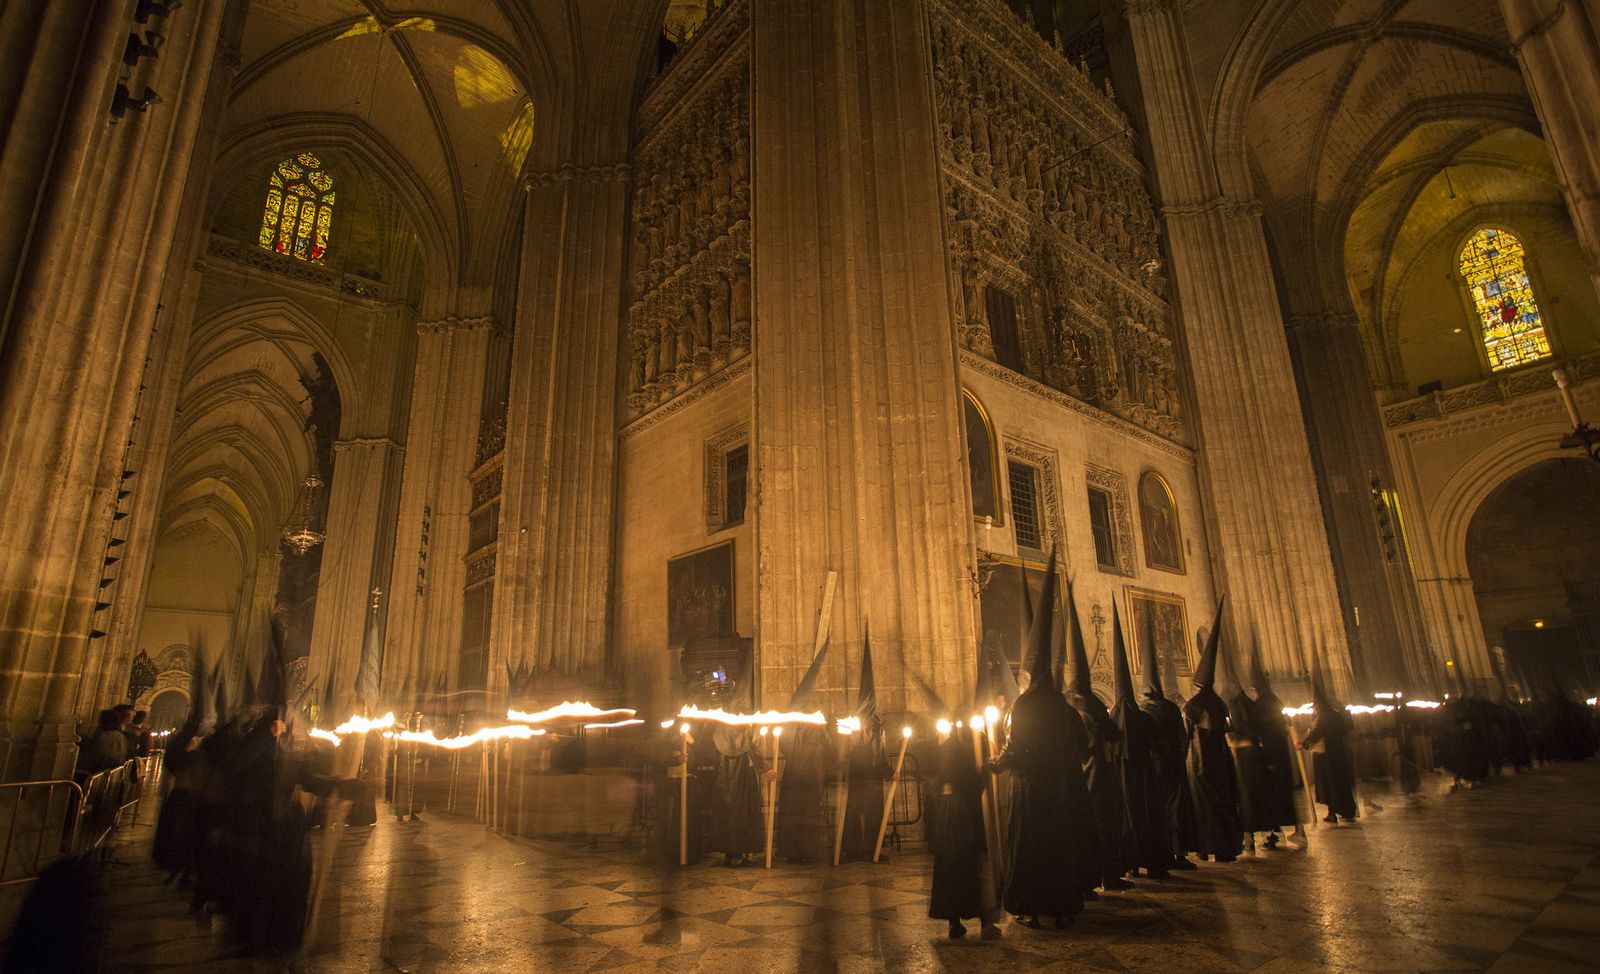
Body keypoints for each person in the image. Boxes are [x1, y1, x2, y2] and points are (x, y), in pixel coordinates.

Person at [990, 552, 1091, 928]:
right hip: (1058, 787)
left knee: (1031, 846)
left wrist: (994, 764)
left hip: (1029, 790)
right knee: (1058, 846)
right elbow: (1081, 745)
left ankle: (1030, 907)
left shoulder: (1024, 706)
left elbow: (1015, 748)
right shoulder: (1061, 704)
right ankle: (1062, 908)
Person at [928, 723, 1000, 940]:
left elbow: (937, 782)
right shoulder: (962, 748)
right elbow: (971, 782)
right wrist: (981, 772)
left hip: (946, 813)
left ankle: (954, 922)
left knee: (949, 868)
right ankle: (985, 923)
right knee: (967, 867)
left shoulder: (945, 749)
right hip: (962, 814)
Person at [1109, 606, 1166, 878]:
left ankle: (1130, 864)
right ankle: (1153, 861)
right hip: (1144, 777)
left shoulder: (1111, 718)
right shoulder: (1143, 717)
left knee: (1127, 816)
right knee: (1148, 816)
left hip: (1121, 780)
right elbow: (1157, 745)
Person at [1136, 623, 1198, 872]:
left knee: (1155, 810)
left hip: (1151, 769)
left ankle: (1158, 853)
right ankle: (1179, 853)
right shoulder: (1171, 709)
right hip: (1172, 764)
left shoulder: (1141, 711)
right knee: (1176, 808)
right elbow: (1183, 737)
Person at [1183, 604, 1243, 862]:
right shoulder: (1219, 703)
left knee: (1204, 806)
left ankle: (1207, 846)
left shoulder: (1194, 705)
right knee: (1223, 801)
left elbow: (1186, 734)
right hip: (1221, 758)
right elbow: (1229, 727)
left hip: (1200, 762)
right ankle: (1227, 847)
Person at [1244, 657, 1302, 849]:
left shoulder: (1260, 705)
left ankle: (1273, 834)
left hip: (1268, 755)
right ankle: (1294, 827)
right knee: (1283, 793)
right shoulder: (1275, 701)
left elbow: (1256, 728)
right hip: (1280, 754)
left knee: (1269, 795)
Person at [707, 725, 769, 867]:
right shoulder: (744, 728)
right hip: (743, 776)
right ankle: (737, 856)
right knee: (742, 814)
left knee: (727, 815)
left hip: (723, 776)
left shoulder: (720, 729)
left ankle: (730, 855)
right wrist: (763, 769)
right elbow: (752, 749)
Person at [1301, 688, 1358, 823]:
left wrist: (1305, 743)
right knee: (1339, 782)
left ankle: (1334, 811)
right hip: (1337, 752)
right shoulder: (1336, 714)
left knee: (1330, 783)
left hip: (1328, 755)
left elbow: (1317, 731)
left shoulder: (1324, 715)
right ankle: (1344, 811)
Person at [76, 710, 128, 776]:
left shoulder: (106, 736)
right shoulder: (120, 736)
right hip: (111, 772)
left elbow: (96, 757)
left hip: (99, 772)